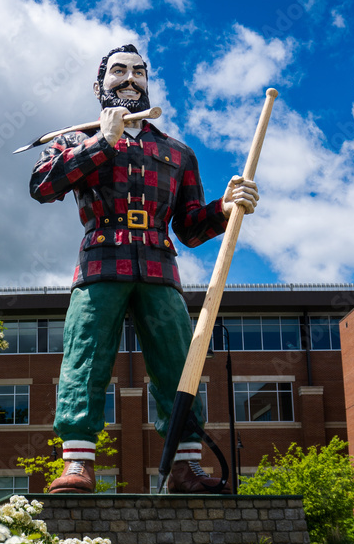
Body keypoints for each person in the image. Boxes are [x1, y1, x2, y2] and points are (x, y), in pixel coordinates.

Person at [29, 44, 259, 493]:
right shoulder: (76, 140)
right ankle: (77, 463)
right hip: (99, 264)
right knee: (85, 358)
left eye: (138, 71)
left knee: (178, 362)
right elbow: (42, 185)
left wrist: (226, 207)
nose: (130, 78)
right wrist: (102, 143)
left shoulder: (178, 152)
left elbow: (190, 228)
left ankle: (184, 466)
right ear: (99, 85)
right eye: (118, 71)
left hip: (160, 268)